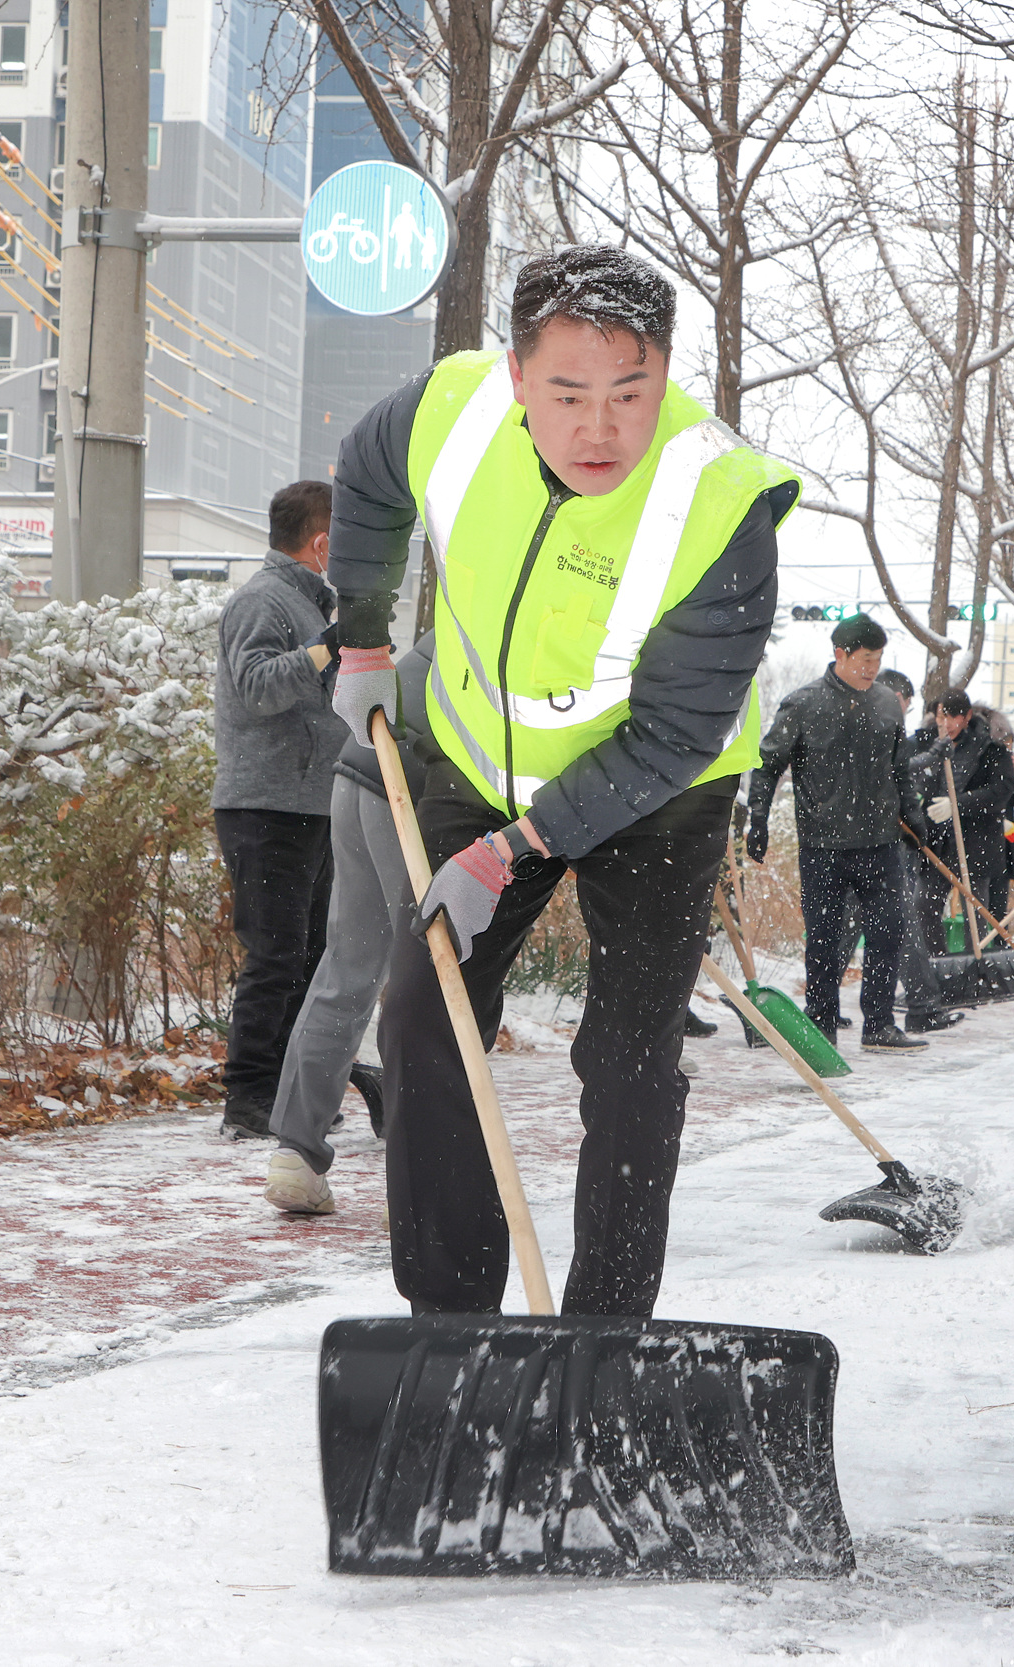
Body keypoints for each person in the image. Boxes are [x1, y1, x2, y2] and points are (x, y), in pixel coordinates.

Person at [325, 246, 794, 1318]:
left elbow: (673, 733)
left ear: (666, 377)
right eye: (568, 394)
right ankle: (450, 1319)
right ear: (514, 377)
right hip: (474, 765)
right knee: (424, 1015)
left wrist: (510, 852)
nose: (599, 429)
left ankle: (603, 1329)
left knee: (630, 1060)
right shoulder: (451, 408)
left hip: (660, 795)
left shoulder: (724, 501)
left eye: (630, 395)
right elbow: (364, 470)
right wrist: (357, 641)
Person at [259, 639, 438, 1214]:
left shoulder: (476, 604)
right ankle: (423, 1169)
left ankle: (296, 1152)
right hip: (412, 791)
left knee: (348, 967)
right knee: (432, 976)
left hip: (357, 771)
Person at [212, 480, 349, 1140]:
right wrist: (327, 648)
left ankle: (293, 1090)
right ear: (321, 542)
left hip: (310, 804)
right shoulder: (263, 600)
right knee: (275, 952)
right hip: (265, 805)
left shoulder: (308, 604)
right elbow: (259, 686)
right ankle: (250, 1097)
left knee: (310, 951)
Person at [746, 615, 931, 1055]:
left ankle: (880, 1024)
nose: (872, 667)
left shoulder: (888, 704)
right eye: (865, 659)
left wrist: (915, 815)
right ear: (840, 654)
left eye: (878, 659)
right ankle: (822, 1024)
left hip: (881, 843)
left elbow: (899, 769)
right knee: (824, 940)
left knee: (887, 933)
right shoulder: (804, 704)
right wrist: (758, 819)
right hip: (823, 846)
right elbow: (768, 763)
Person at [874, 669, 957, 1034]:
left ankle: (821, 1006)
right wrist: (932, 755)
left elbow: (900, 778)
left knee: (854, 922)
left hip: (880, 840)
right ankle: (922, 1006)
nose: (902, 714)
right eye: (902, 705)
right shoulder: (873, 721)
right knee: (902, 922)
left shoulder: (884, 724)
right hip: (873, 843)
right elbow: (891, 772)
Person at [912, 689, 1014, 925]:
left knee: (976, 914)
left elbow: (1001, 789)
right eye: (941, 717)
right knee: (924, 908)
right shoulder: (925, 744)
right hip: (935, 845)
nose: (946, 724)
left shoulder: (989, 746)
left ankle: (975, 961)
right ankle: (937, 961)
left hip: (974, 845)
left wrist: (958, 804)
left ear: (967, 716)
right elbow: (908, 777)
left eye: (953, 717)